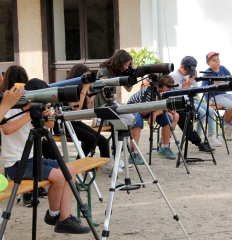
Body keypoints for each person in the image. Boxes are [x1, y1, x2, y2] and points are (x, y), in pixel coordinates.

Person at [0, 65, 90, 234]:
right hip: (17, 164)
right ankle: (54, 214)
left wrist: (45, 114)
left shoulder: (31, 106)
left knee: (69, 171)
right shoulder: (8, 108)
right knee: (58, 177)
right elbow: (7, 129)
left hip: (34, 158)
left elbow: (49, 126)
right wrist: (29, 114)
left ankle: (64, 218)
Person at [53, 64, 115, 170]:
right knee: (90, 139)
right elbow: (76, 109)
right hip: (63, 124)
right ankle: (78, 166)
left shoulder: (81, 89)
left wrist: (88, 98)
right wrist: (84, 89)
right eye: (85, 77)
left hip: (74, 122)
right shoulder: (68, 88)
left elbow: (85, 109)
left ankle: (106, 164)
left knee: (102, 140)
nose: (87, 81)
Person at [96, 49, 137, 163]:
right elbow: (105, 94)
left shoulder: (117, 73)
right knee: (118, 122)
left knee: (130, 119)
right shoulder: (104, 71)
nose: (127, 66)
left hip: (111, 105)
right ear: (120, 62)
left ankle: (118, 152)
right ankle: (116, 154)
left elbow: (128, 89)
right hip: (102, 106)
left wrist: (131, 75)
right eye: (126, 64)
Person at [170, 56, 216, 152]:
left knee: (206, 112)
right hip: (177, 103)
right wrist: (187, 85)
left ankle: (202, 140)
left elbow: (194, 91)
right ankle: (199, 142)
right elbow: (174, 94)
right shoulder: (174, 76)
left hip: (188, 101)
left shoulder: (187, 74)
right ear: (182, 66)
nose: (188, 74)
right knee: (189, 120)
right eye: (187, 72)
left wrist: (193, 79)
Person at [128, 75, 179, 160]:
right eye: (168, 86)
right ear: (159, 87)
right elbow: (143, 112)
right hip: (135, 106)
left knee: (168, 119)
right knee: (137, 122)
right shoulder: (148, 92)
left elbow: (167, 107)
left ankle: (164, 147)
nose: (171, 89)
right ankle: (133, 153)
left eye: (172, 86)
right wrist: (156, 103)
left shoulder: (168, 92)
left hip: (151, 108)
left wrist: (154, 114)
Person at [203, 51, 232, 141]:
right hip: (212, 97)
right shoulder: (207, 73)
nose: (217, 61)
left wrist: (226, 83)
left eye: (218, 59)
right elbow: (204, 90)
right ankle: (224, 124)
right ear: (208, 63)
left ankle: (228, 127)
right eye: (214, 60)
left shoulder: (223, 69)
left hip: (223, 94)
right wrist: (216, 83)